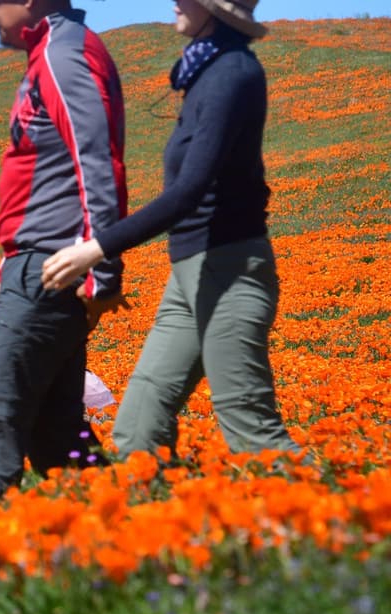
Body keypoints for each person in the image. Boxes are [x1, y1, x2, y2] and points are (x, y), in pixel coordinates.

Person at [41, 0, 299, 458]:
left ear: (214, 12)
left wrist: (95, 249)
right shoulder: (204, 74)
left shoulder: (233, 73)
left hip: (230, 268)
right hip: (189, 277)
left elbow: (190, 191)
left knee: (249, 425)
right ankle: (157, 522)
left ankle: (341, 523)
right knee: (137, 431)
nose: (176, 2)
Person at [0, 0, 129, 498]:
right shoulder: (53, 52)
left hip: (52, 267)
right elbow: (45, 181)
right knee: (55, 435)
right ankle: (118, 543)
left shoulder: (63, 54)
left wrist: (103, 268)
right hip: (36, 264)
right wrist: (3, 273)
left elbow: (95, 160)